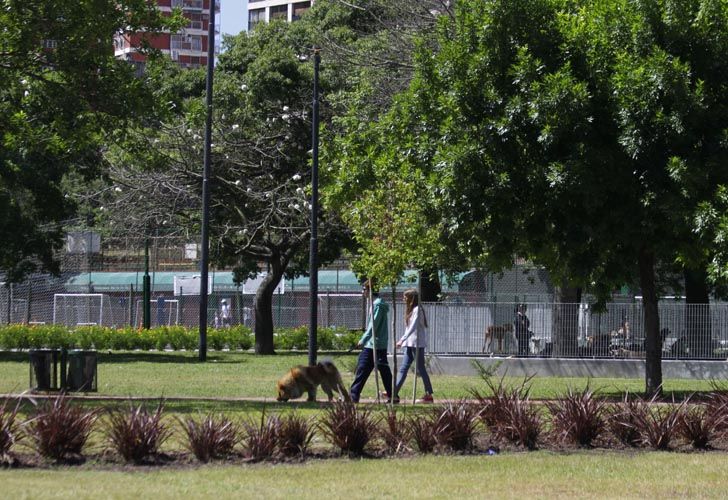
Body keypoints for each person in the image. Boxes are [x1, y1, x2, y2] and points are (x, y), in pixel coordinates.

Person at [349, 281, 393, 403]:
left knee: (380, 370)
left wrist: (363, 340)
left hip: (376, 344)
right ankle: (354, 395)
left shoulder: (377, 306)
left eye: (364, 289)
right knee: (363, 368)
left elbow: (373, 325)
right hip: (372, 344)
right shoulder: (374, 304)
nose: (362, 292)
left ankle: (393, 395)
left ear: (370, 290)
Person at [395, 289, 434, 403]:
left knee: (421, 369)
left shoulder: (418, 310)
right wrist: (405, 341)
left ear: (411, 298)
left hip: (417, 344)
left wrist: (402, 340)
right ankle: (394, 392)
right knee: (403, 368)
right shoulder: (411, 310)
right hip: (409, 344)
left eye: (405, 297)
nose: (403, 299)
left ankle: (429, 395)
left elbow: (413, 327)